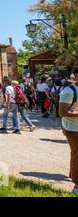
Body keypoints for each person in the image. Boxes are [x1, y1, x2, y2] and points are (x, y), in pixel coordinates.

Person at [58, 68, 78, 196]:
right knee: (77, 156)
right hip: (73, 128)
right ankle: (76, 185)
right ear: (76, 75)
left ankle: (73, 173)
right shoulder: (69, 91)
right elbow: (62, 112)